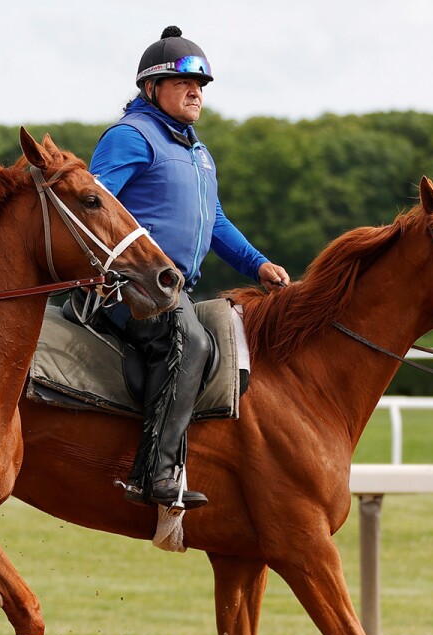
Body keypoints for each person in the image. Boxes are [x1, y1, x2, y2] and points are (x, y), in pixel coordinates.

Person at [85, 26, 290, 509]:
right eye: (184, 84)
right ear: (150, 89)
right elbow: (89, 209)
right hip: (125, 287)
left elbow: (214, 221)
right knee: (191, 340)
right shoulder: (130, 137)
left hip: (174, 290)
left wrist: (257, 264)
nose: (196, 92)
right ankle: (155, 473)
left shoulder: (198, 153)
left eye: (201, 86)